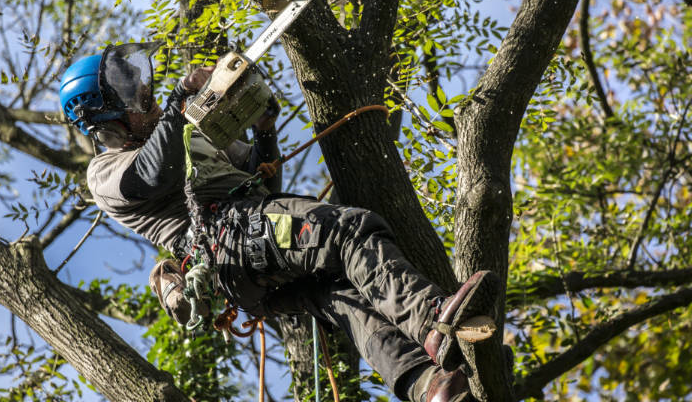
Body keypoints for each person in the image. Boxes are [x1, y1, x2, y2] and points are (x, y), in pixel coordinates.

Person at [59, 42, 500, 402]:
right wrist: (179, 101)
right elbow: (154, 174)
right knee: (345, 230)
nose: (148, 103)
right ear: (107, 119)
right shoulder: (105, 172)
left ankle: (427, 386)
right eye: (135, 101)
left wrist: (264, 131)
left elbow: (263, 188)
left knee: (342, 298)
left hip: (251, 252)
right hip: (228, 240)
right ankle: (430, 318)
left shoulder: (188, 135)